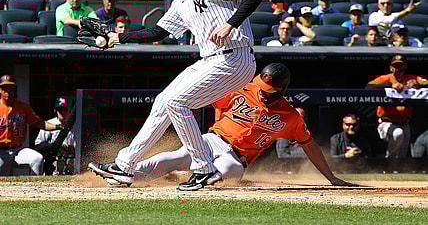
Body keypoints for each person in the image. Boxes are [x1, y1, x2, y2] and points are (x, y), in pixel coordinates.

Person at [88, 0, 263, 191]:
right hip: (211, 59)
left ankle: (204, 168)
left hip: (235, 57)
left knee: (177, 103)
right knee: (163, 101)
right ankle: (124, 165)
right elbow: (158, 31)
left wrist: (230, 24)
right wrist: (117, 38)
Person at [118, 63, 353, 187]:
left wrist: (330, 177)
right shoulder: (245, 87)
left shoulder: (289, 117)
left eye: (269, 91)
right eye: (261, 86)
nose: (262, 93)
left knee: (231, 170)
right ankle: (126, 173)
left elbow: (309, 146)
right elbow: (218, 103)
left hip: (235, 158)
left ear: (282, 90)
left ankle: (193, 177)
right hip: (212, 140)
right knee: (175, 157)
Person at [0, 75, 65, 176]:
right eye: (4, 88)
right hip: (1, 151)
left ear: (14, 89)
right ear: (0, 90)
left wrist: (57, 126)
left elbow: (39, 122)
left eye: (10, 88)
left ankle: (35, 187)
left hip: (18, 149)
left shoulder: (23, 107)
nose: (7, 91)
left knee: (37, 159)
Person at [366, 55, 428, 158]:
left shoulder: (412, 79)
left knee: (401, 158)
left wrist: (418, 85)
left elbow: (426, 83)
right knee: (398, 133)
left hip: (404, 123)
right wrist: (390, 86)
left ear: (405, 67)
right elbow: (369, 87)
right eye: (396, 66)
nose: (398, 69)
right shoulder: (385, 78)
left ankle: (394, 170)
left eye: (401, 66)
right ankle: (388, 160)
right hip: (386, 122)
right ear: (391, 68)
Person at [34, 96, 76, 175]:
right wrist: (54, 145)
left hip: (72, 163)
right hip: (54, 163)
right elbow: (38, 146)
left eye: (65, 109)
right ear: (55, 110)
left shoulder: (77, 125)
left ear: (70, 110)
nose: (63, 112)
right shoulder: (49, 124)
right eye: (60, 110)